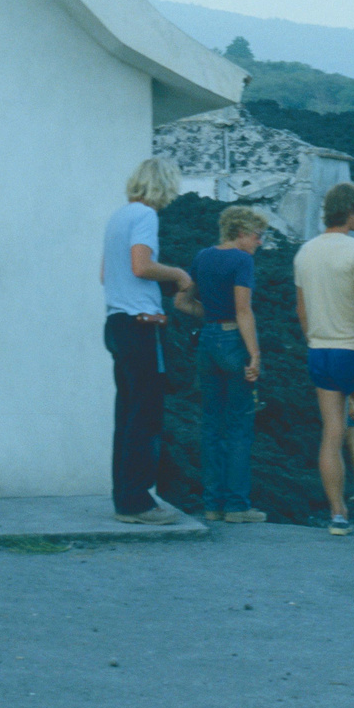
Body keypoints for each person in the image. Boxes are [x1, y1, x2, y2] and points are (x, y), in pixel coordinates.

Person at [101, 158, 191, 525]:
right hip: (142, 326)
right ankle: (138, 502)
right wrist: (179, 275)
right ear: (164, 186)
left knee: (127, 415)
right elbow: (141, 266)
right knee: (146, 417)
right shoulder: (145, 217)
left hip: (116, 323)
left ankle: (125, 497)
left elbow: (106, 273)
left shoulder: (117, 217)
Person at [294, 182, 354, 536]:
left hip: (320, 351)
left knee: (332, 433)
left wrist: (314, 340)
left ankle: (338, 514)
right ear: (351, 211)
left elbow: (301, 309)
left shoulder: (304, 253)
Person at [179, 205, 269, 524]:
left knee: (211, 425)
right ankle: (236, 506)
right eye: (258, 236)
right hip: (234, 341)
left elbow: (182, 301)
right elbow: (244, 310)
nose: (260, 242)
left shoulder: (203, 257)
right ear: (242, 232)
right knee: (240, 426)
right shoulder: (242, 260)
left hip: (206, 343)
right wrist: (254, 354)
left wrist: (211, 319)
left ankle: (212, 505)